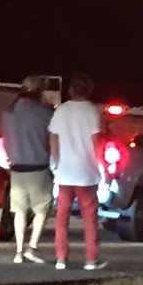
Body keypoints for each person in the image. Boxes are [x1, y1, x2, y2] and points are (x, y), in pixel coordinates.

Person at [48, 72, 106, 270]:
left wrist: (56, 162)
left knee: (61, 216)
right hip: (86, 172)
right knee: (90, 217)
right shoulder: (91, 111)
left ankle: (61, 258)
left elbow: (53, 138)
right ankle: (90, 259)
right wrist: (100, 165)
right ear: (88, 90)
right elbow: (96, 141)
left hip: (64, 172)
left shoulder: (61, 110)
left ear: (71, 90)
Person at [0, 75, 54, 263]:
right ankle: (32, 247)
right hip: (38, 166)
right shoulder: (45, 113)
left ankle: (18, 252)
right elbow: (51, 140)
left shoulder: (9, 111)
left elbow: (5, 139)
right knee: (41, 209)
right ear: (39, 92)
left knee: (19, 211)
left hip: (16, 167)